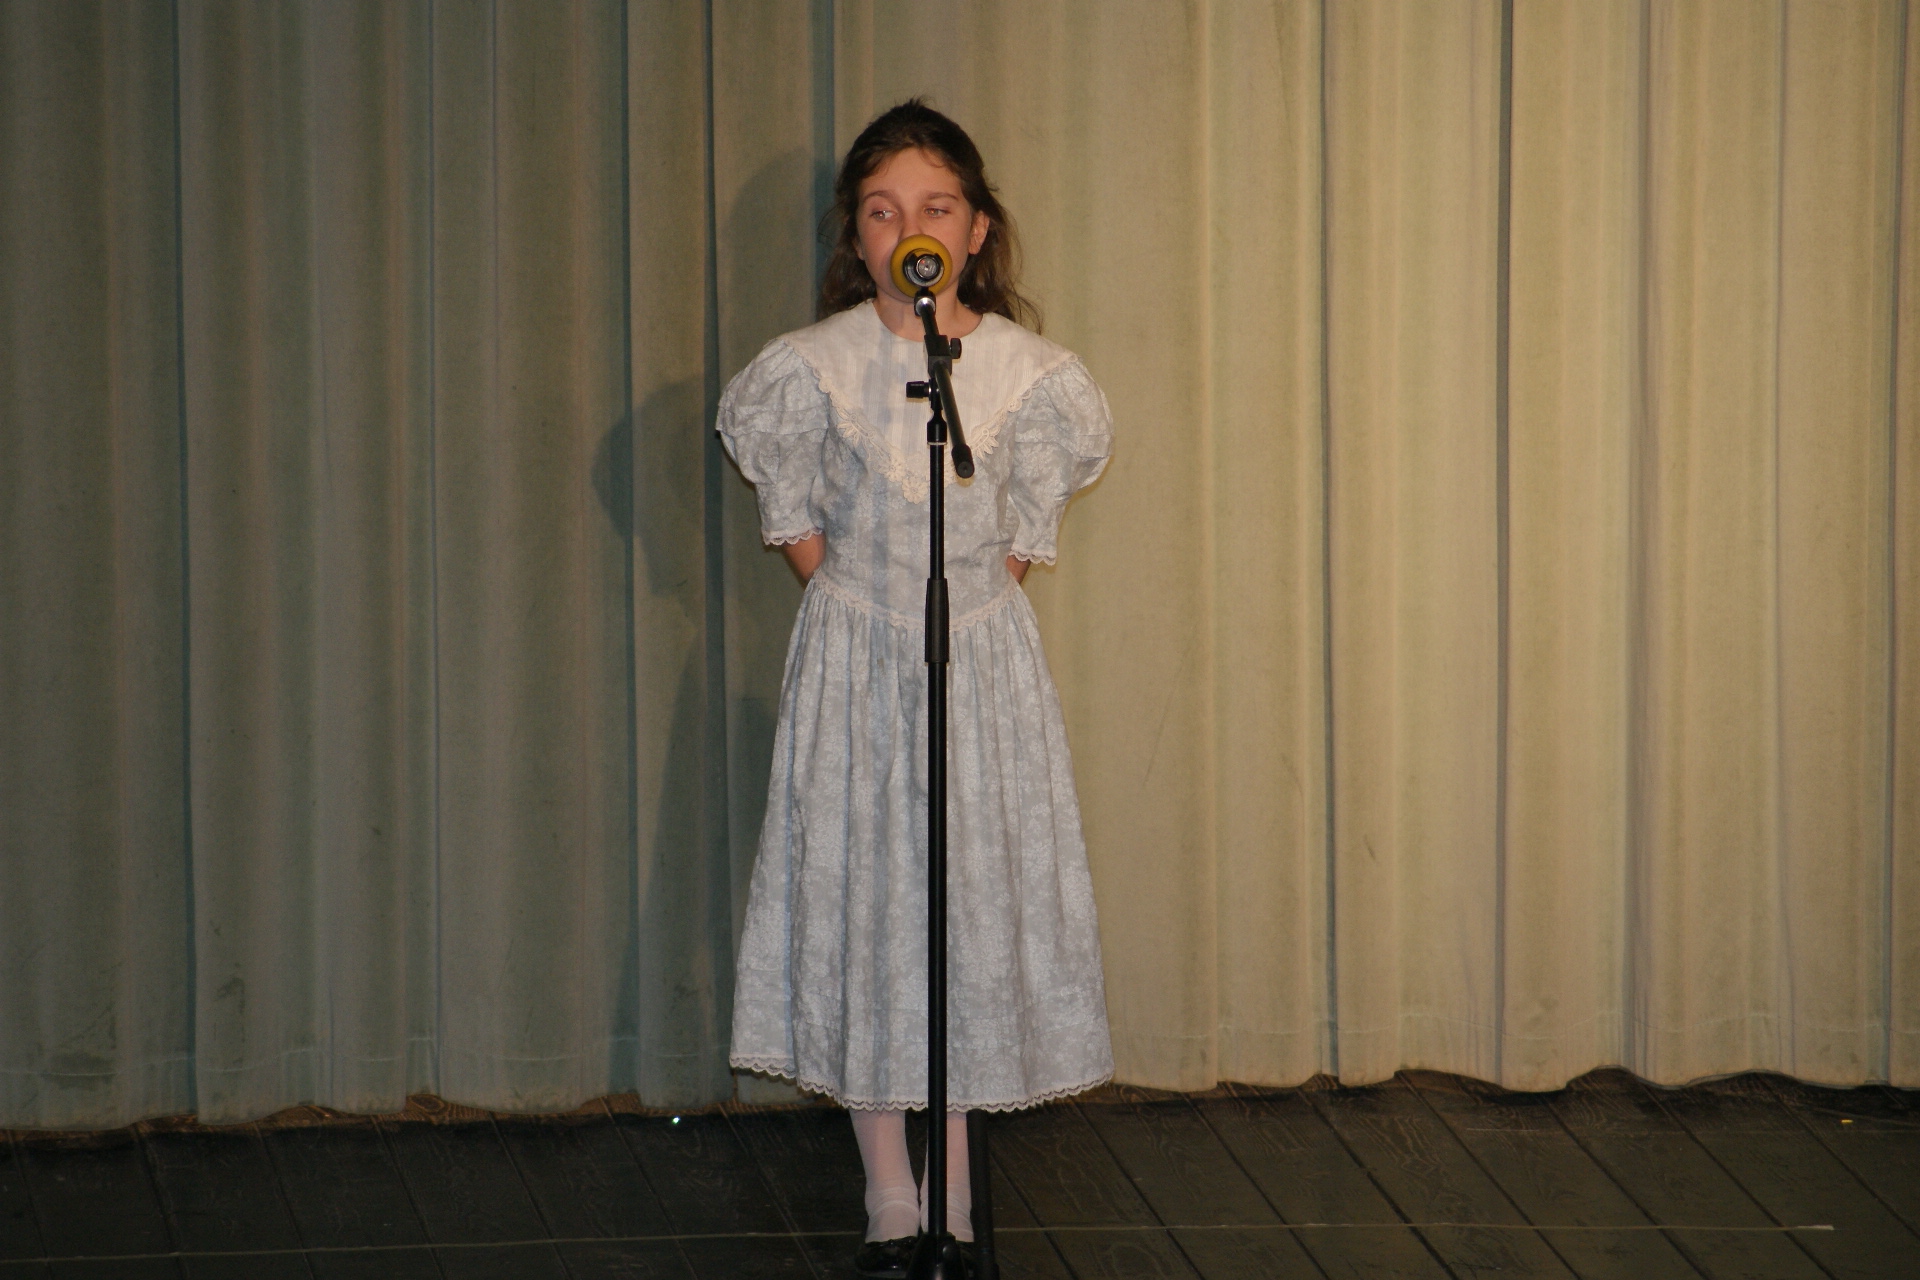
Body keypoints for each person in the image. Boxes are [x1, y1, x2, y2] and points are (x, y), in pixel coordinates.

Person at [717, 99, 1113, 1279]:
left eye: (936, 207)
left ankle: (959, 1194)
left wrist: (966, 610)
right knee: (870, 908)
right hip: (856, 665)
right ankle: (890, 1192)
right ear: (858, 234)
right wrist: (858, 607)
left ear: (977, 228)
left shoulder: (1029, 374)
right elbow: (795, 512)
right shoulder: (813, 364)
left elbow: (1021, 533)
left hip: (978, 668)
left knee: (963, 911)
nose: (911, 230)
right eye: (884, 211)